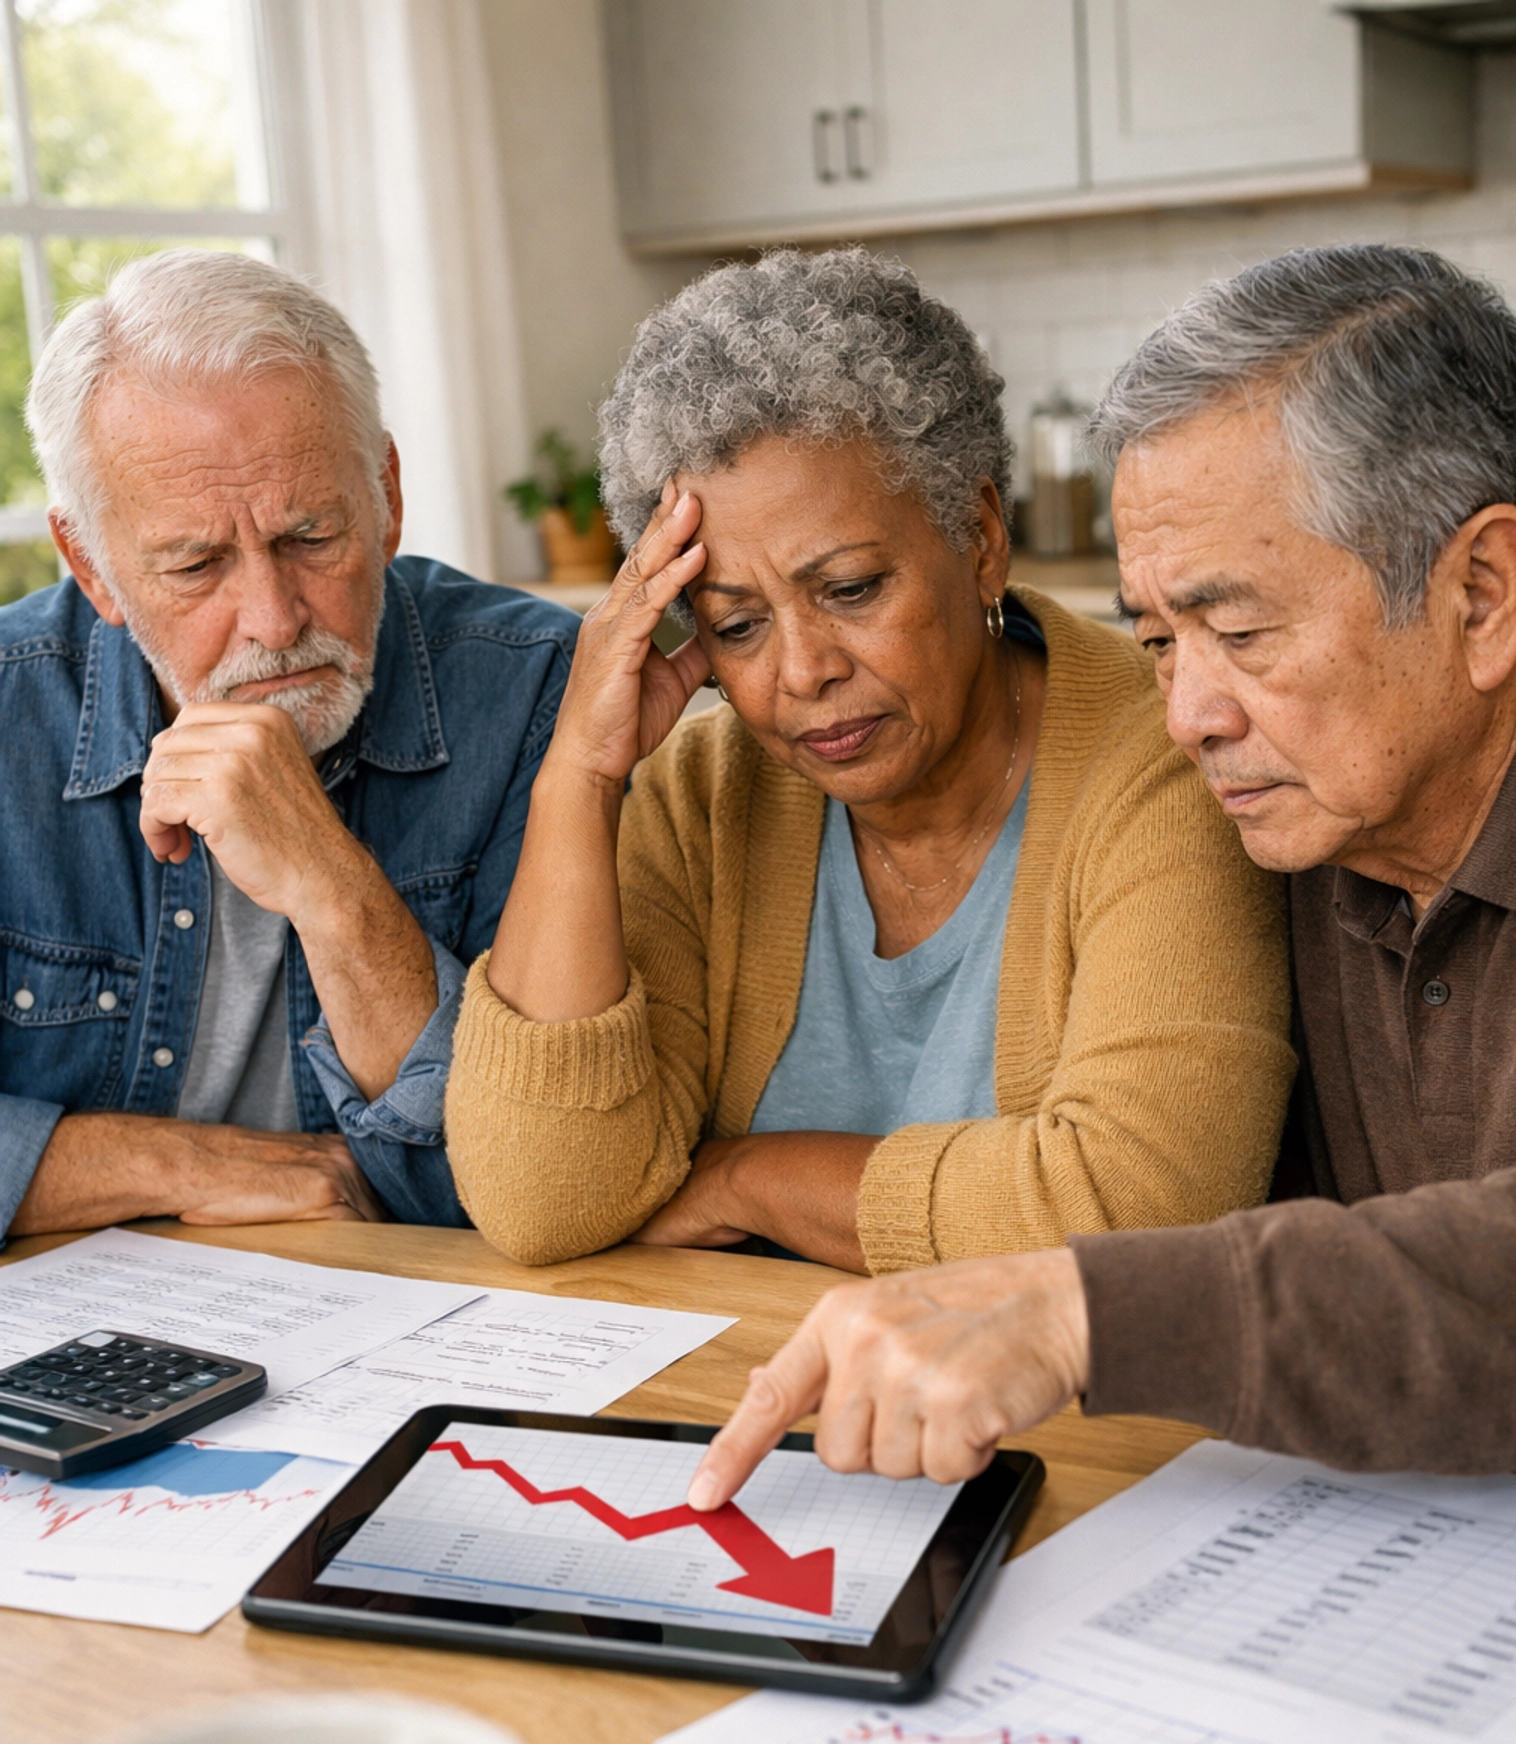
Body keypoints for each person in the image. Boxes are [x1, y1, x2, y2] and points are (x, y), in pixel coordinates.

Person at [683, 242, 1516, 1512]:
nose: (1188, 716)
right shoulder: (1302, 823)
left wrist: (1079, 1307)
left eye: (1240, 631)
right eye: (1157, 640)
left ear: (1483, 593)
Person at [446, 249, 1292, 1272]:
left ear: (980, 537)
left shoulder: (1165, 762)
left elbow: (1137, 1211)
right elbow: (542, 1201)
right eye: (738, 625)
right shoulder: (698, 797)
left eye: (850, 589)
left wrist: (744, 1180)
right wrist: (578, 780)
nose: (804, 671)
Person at [1, 249, 577, 1241]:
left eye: (311, 538)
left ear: (386, 496)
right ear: (91, 569)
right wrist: (176, 1165)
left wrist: (329, 884)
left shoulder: (538, 691)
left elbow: (541, 1179)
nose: (273, 620)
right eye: (196, 564)